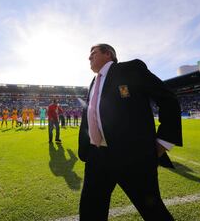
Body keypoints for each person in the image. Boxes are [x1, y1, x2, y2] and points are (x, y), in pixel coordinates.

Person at [78, 44, 182, 221]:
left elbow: (168, 98)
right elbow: (91, 115)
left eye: (93, 53)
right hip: (97, 157)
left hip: (133, 157)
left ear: (108, 54)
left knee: (153, 211)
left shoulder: (130, 69)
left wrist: (165, 140)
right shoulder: (93, 82)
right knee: (90, 210)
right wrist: (87, 149)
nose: (89, 57)